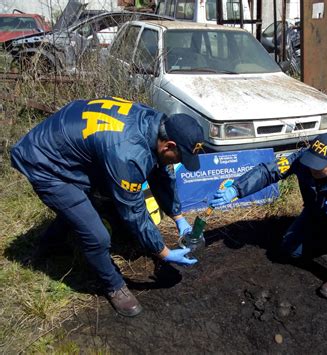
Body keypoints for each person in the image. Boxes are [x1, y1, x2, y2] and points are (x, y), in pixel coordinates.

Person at [11, 97, 205, 316]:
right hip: (44, 162)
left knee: (87, 207)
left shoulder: (155, 123)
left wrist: (178, 218)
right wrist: (163, 252)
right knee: (97, 236)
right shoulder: (128, 154)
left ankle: (49, 244)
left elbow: (162, 174)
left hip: (73, 147)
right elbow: (133, 210)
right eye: (179, 157)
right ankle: (113, 285)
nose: (177, 163)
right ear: (168, 145)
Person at [209, 133, 327, 298]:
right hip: (318, 211)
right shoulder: (301, 160)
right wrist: (237, 189)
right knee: (290, 250)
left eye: (319, 165)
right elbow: (268, 172)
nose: (312, 169)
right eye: (311, 161)